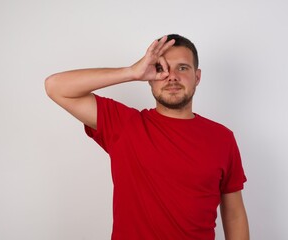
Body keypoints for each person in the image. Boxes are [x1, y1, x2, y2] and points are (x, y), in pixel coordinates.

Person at [45, 34, 249, 240]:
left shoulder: (222, 138)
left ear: (197, 77)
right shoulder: (123, 125)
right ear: (149, 79)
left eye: (182, 68)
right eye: (161, 68)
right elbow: (56, 86)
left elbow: (234, 215)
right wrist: (131, 72)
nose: (172, 76)